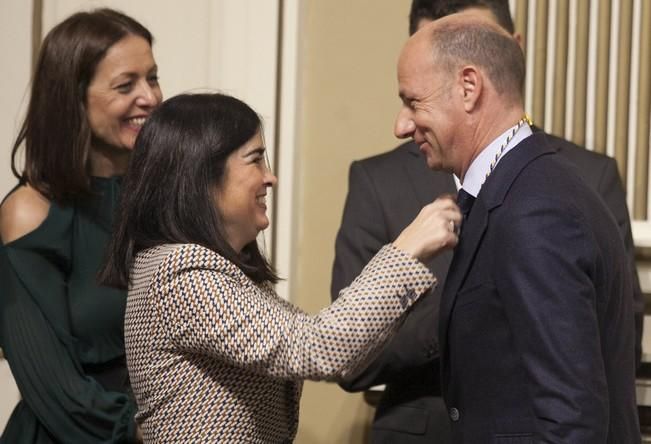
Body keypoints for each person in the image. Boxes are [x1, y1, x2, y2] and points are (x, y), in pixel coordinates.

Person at [331, 1, 642, 442]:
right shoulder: (518, 184)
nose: (402, 125)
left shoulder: (536, 207)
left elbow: (571, 418)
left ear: (469, 87)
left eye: (413, 102)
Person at [98, 92, 461, 443]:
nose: (269, 177)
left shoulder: (209, 269)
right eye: (255, 159)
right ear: (202, 176)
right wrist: (405, 249)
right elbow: (320, 347)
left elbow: (335, 346)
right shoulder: (182, 272)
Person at [0, 9, 162, 443]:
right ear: (73, 98)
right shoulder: (30, 214)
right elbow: (54, 389)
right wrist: (157, 428)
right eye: (126, 85)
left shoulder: (160, 202)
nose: (149, 97)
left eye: (153, 78)